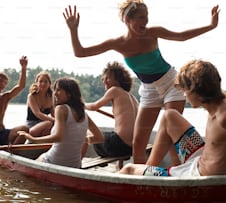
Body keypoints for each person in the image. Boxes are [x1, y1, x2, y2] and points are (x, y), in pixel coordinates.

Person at [63, 2, 220, 164]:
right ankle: (140, 178)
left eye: (147, 17)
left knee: (171, 135)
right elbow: (80, 52)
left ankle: (176, 174)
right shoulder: (118, 43)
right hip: (149, 90)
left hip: (171, 83)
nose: (145, 21)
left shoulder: (153, 33)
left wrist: (211, 25)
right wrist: (73, 30)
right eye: (141, 18)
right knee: (138, 143)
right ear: (127, 20)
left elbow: (181, 36)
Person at [119, 59, 226, 177]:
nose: (184, 95)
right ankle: (148, 171)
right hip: (199, 159)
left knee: (129, 169)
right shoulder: (216, 107)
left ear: (194, 88)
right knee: (169, 115)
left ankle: (146, 175)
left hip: (198, 175)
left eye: (185, 89)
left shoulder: (223, 115)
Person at [18, 77, 104, 168]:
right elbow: (99, 137)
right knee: (42, 155)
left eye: (58, 90)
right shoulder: (84, 113)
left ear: (69, 94)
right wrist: (81, 139)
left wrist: (33, 140)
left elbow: (59, 137)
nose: (55, 93)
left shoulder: (61, 109)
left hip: (54, 161)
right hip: (75, 165)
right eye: (54, 90)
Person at [85, 61, 138, 168]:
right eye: (103, 79)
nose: (104, 81)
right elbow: (122, 120)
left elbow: (94, 106)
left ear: (118, 80)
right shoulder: (132, 98)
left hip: (118, 145)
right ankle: (119, 164)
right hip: (131, 147)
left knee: (90, 132)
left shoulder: (114, 90)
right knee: (113, 132)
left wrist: (81, 104)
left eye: (108, 78)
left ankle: (81, 160)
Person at [25, 71, 54, 140]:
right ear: (36, 83)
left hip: (44, 125)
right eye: (40, 81)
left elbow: (54, 115)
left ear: (49, 84)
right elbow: (38, 114)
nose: (43, 84)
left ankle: (42, 145)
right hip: (31, 127)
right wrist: (55, 121)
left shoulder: (51, 97)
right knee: (49, 123)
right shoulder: (31, 96)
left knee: (50, 126)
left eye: (45, 82)